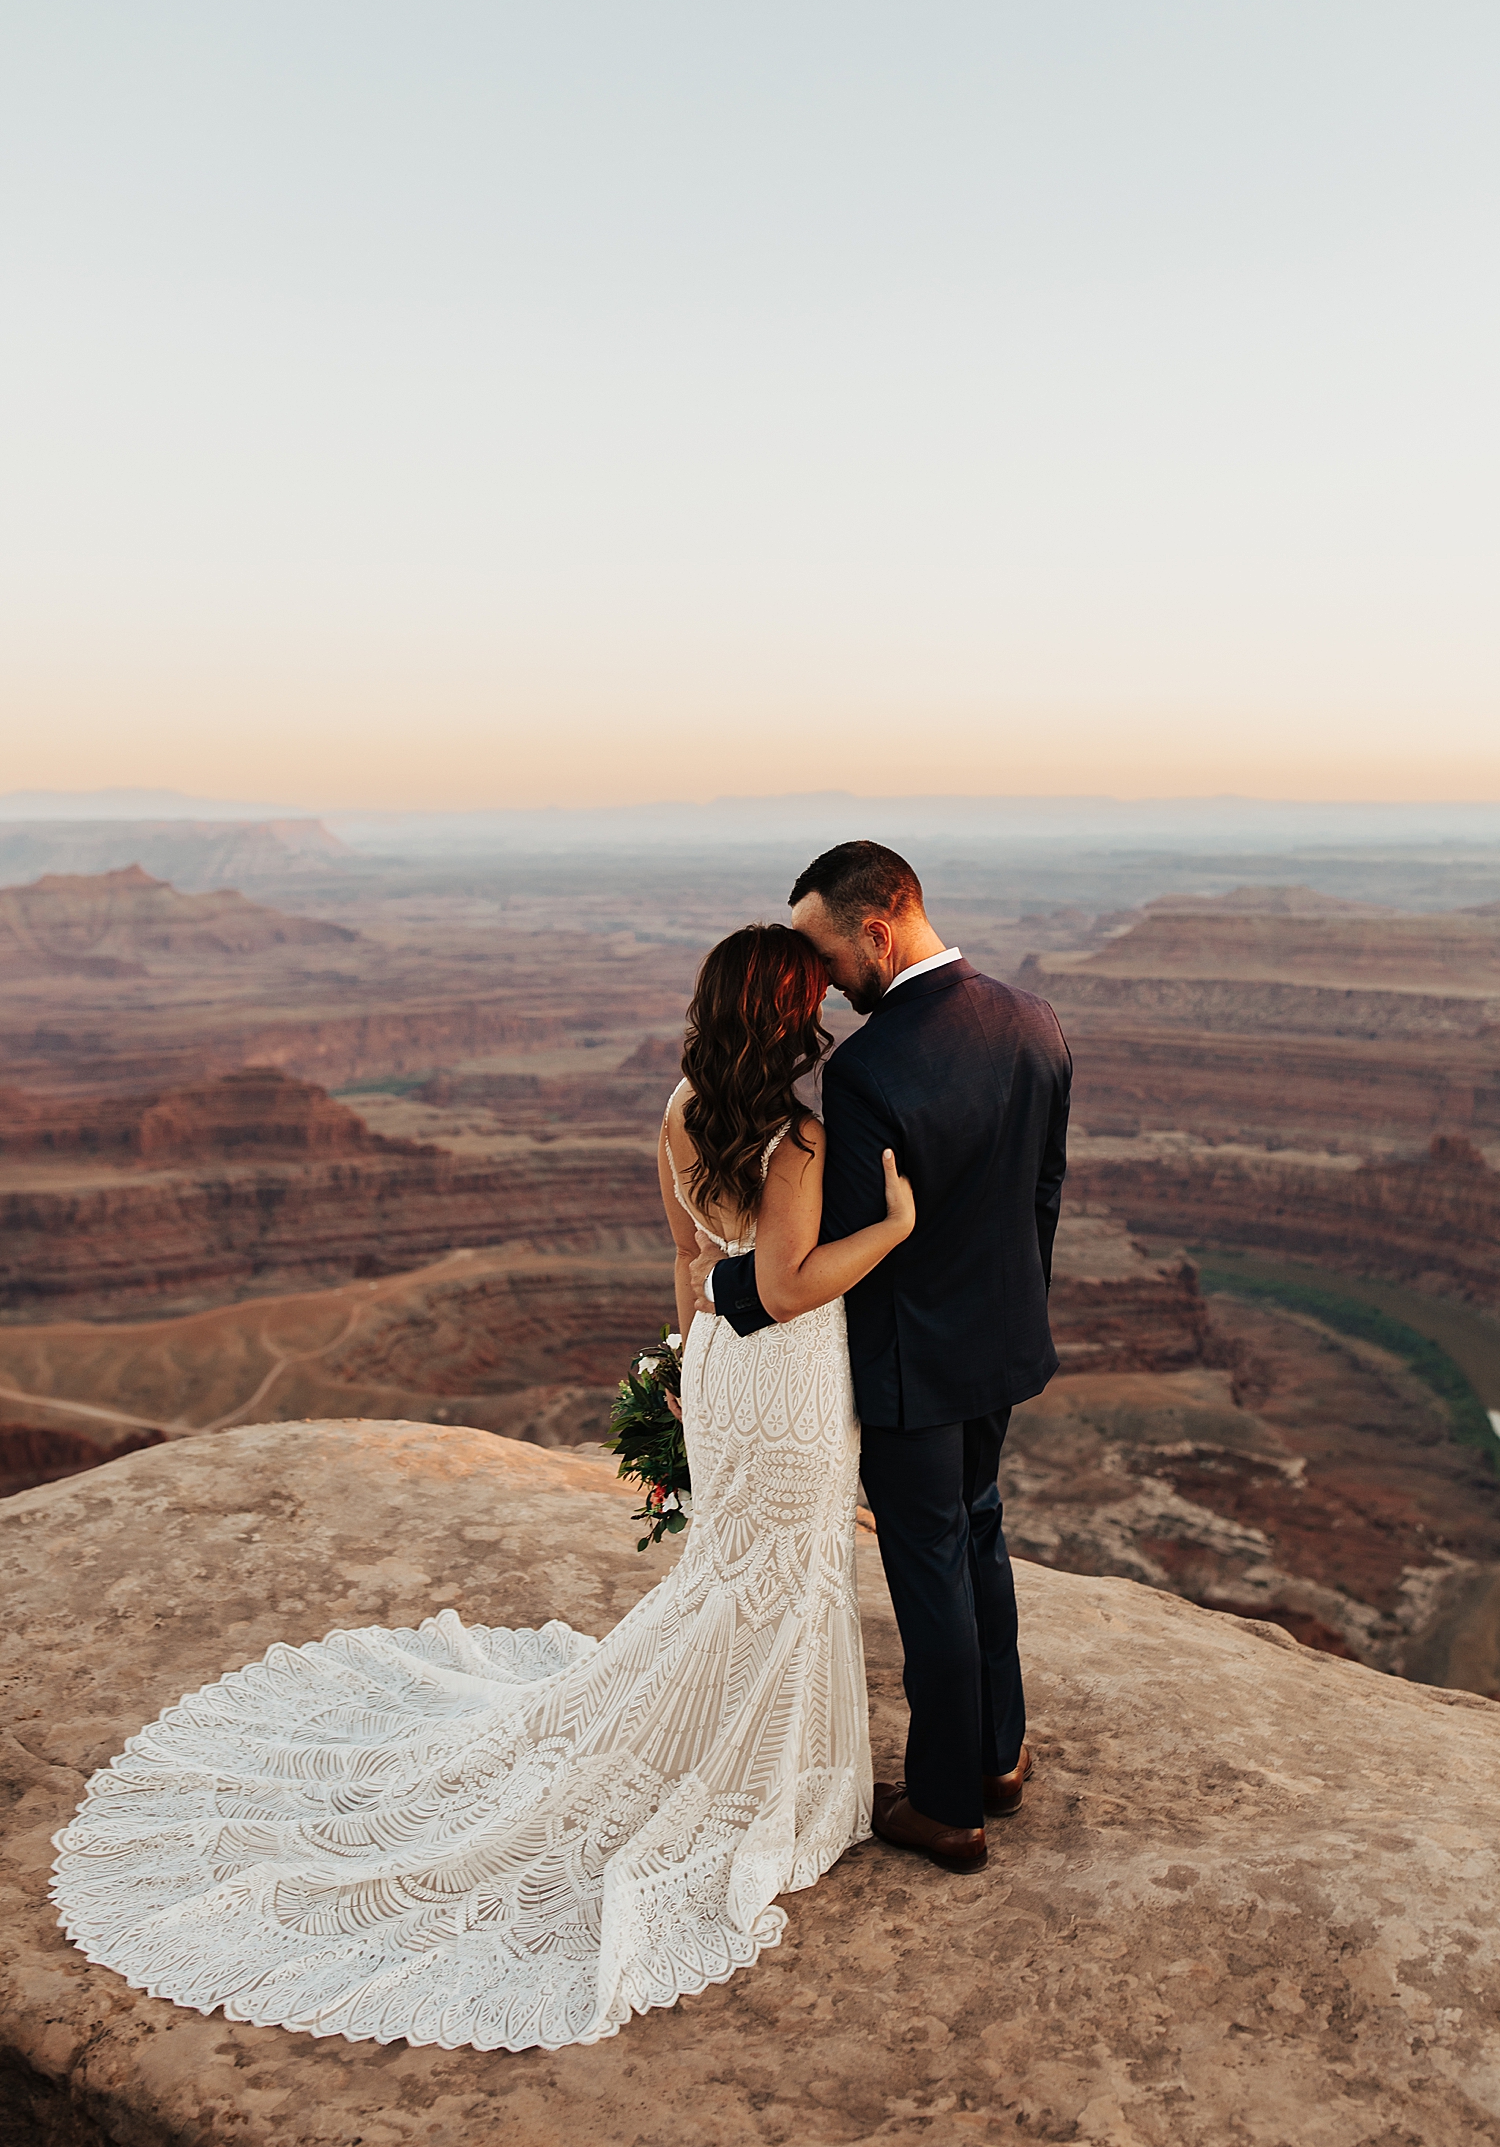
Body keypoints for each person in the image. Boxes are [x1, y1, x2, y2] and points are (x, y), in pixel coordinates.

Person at [51, 923, 914, 2054]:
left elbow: (693, 1265)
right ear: (792, 1015)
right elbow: (795, 1288)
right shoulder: (796, 1140)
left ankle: (707, 1741)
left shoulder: (678, 1111)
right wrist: (894, 1227)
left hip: (721, 1363)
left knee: (729, 1565)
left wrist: (691, 1367)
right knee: (787, 1571)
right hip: (792, 1378)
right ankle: (759, 1771)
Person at [696, 841, 1071, 1874]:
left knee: (931, 1572)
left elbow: (824, 1256)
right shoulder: (1035, 1021)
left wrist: (720, 1291)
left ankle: (949, 1805)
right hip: (1003, 1341)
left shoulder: (868, 1070)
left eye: (823, 955)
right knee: (980, 1530)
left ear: (876, 927)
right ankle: (999, 1754)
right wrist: (1013, 1315)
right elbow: (1043, 1194)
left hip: (911, 1366)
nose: (819, 982)